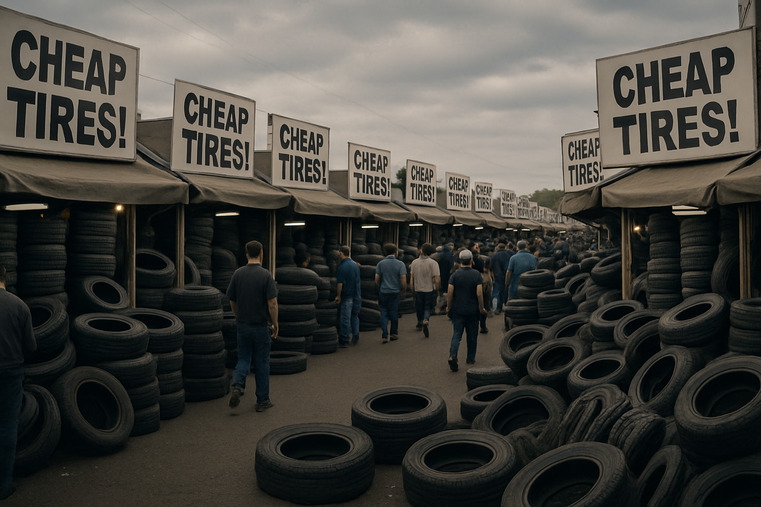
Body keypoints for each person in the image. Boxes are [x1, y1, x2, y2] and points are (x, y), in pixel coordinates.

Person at [227, 240, 278, 412]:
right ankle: (262, 401)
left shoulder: (237, 274)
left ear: (246, 253)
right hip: (260, 326)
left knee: (243, 359)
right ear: (261, 253)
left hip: (243, 325)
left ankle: (237, 386)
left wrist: (238, 315)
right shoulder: (266, 276)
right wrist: (275, 323)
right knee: (262, 362)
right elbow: (272, 303)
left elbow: (232, 300)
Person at [0, 265, 36, 500]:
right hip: (10, 372)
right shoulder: (19, 305)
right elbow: (30, 347)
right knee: (6, 426)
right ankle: (3, 485)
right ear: (4, 277)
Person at [445, 249, 486, 371]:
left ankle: (453, 355)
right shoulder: (476, 275)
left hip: (458, 310)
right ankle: (470, 358)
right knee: (472, 335)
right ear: (472, 261)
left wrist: (448, 307)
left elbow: (450, 293)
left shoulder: (454, 275)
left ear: (460, 260)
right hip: (472, 311)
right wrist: (481, 307)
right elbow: (479, 293)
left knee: (456, 335)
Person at [375, 243, 407, 343]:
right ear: (396, 252)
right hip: (395, 292)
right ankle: (393, 333)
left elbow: (376, 278)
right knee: (393, 312)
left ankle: (384, 335)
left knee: (383, 312)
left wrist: (379, 287)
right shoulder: (400, 264)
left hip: (383, 291)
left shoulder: (380, 264)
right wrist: (403, 290)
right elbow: (403, 279)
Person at [409, 243, 440, 338]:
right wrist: (437, 289)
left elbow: (412, 277)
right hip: (429, 289)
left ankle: (419, 322)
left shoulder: (414, 262)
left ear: (421, 251)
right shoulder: (433, 263)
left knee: (419, 306)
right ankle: (426, 319)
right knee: (427, 307)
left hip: (418, 288)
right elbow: (437, 278)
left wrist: (411, 287)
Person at [335, 245, 361, 347]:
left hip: (347, 296)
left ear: (341, 253)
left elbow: (340, 284)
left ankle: (344, 340)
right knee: (354, 316)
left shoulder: (342, 267)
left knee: (345, 318)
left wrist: (338, 296)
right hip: (357, 295)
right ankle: (355, 336)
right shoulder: (355, 265)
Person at [470, 244, 490, 334]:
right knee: (483, 304)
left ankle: (473, 325)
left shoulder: (470, 262)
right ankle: (483, 325)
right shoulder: (482, 260)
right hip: (483, 283)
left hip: (471, 284)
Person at [489, 243, 512, 314]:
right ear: (505, 247)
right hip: (506, 276)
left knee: (496, 293)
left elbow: (491, 267)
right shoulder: (509, 254)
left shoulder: (494, 255)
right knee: (504, 292)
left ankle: (497, 308)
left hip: (497, 277)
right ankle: (503, 305)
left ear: (498, 248)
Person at [435, 244, 454, 314]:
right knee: (448, 292)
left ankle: (439, 307)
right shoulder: (451, 257)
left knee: (440, 292)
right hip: (448, 276)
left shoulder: (440, 256)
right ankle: (447, 307)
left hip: (440, 275)